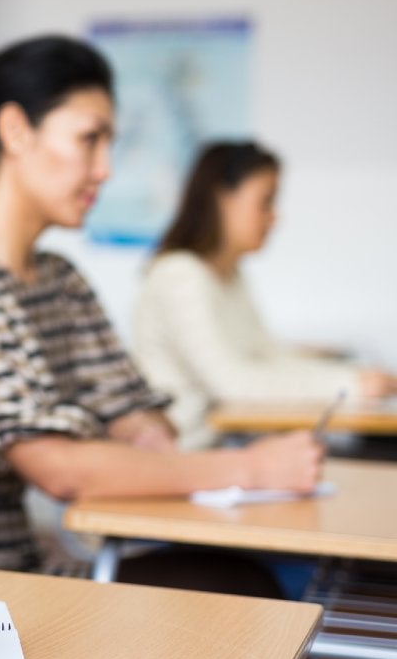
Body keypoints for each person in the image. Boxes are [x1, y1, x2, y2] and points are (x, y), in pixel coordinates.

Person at [0, 35, 324, 572]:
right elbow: (62, 471)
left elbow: (135, 410)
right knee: (232, 581)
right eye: (90, 139)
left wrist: (141, 433)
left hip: (31, 566)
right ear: (15, 131)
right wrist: (250, 467)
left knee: (232, 575)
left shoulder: (59, 280)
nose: (105, 168)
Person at [134, 140, 397, 449]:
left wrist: (355, 376)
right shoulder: (179, 275)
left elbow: (268, 356)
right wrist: (350, 385)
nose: (275, 217)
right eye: (266, 201)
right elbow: (234, 384)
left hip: (225, 447)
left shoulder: (229, 274)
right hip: (189, 455)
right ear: (222, 199)